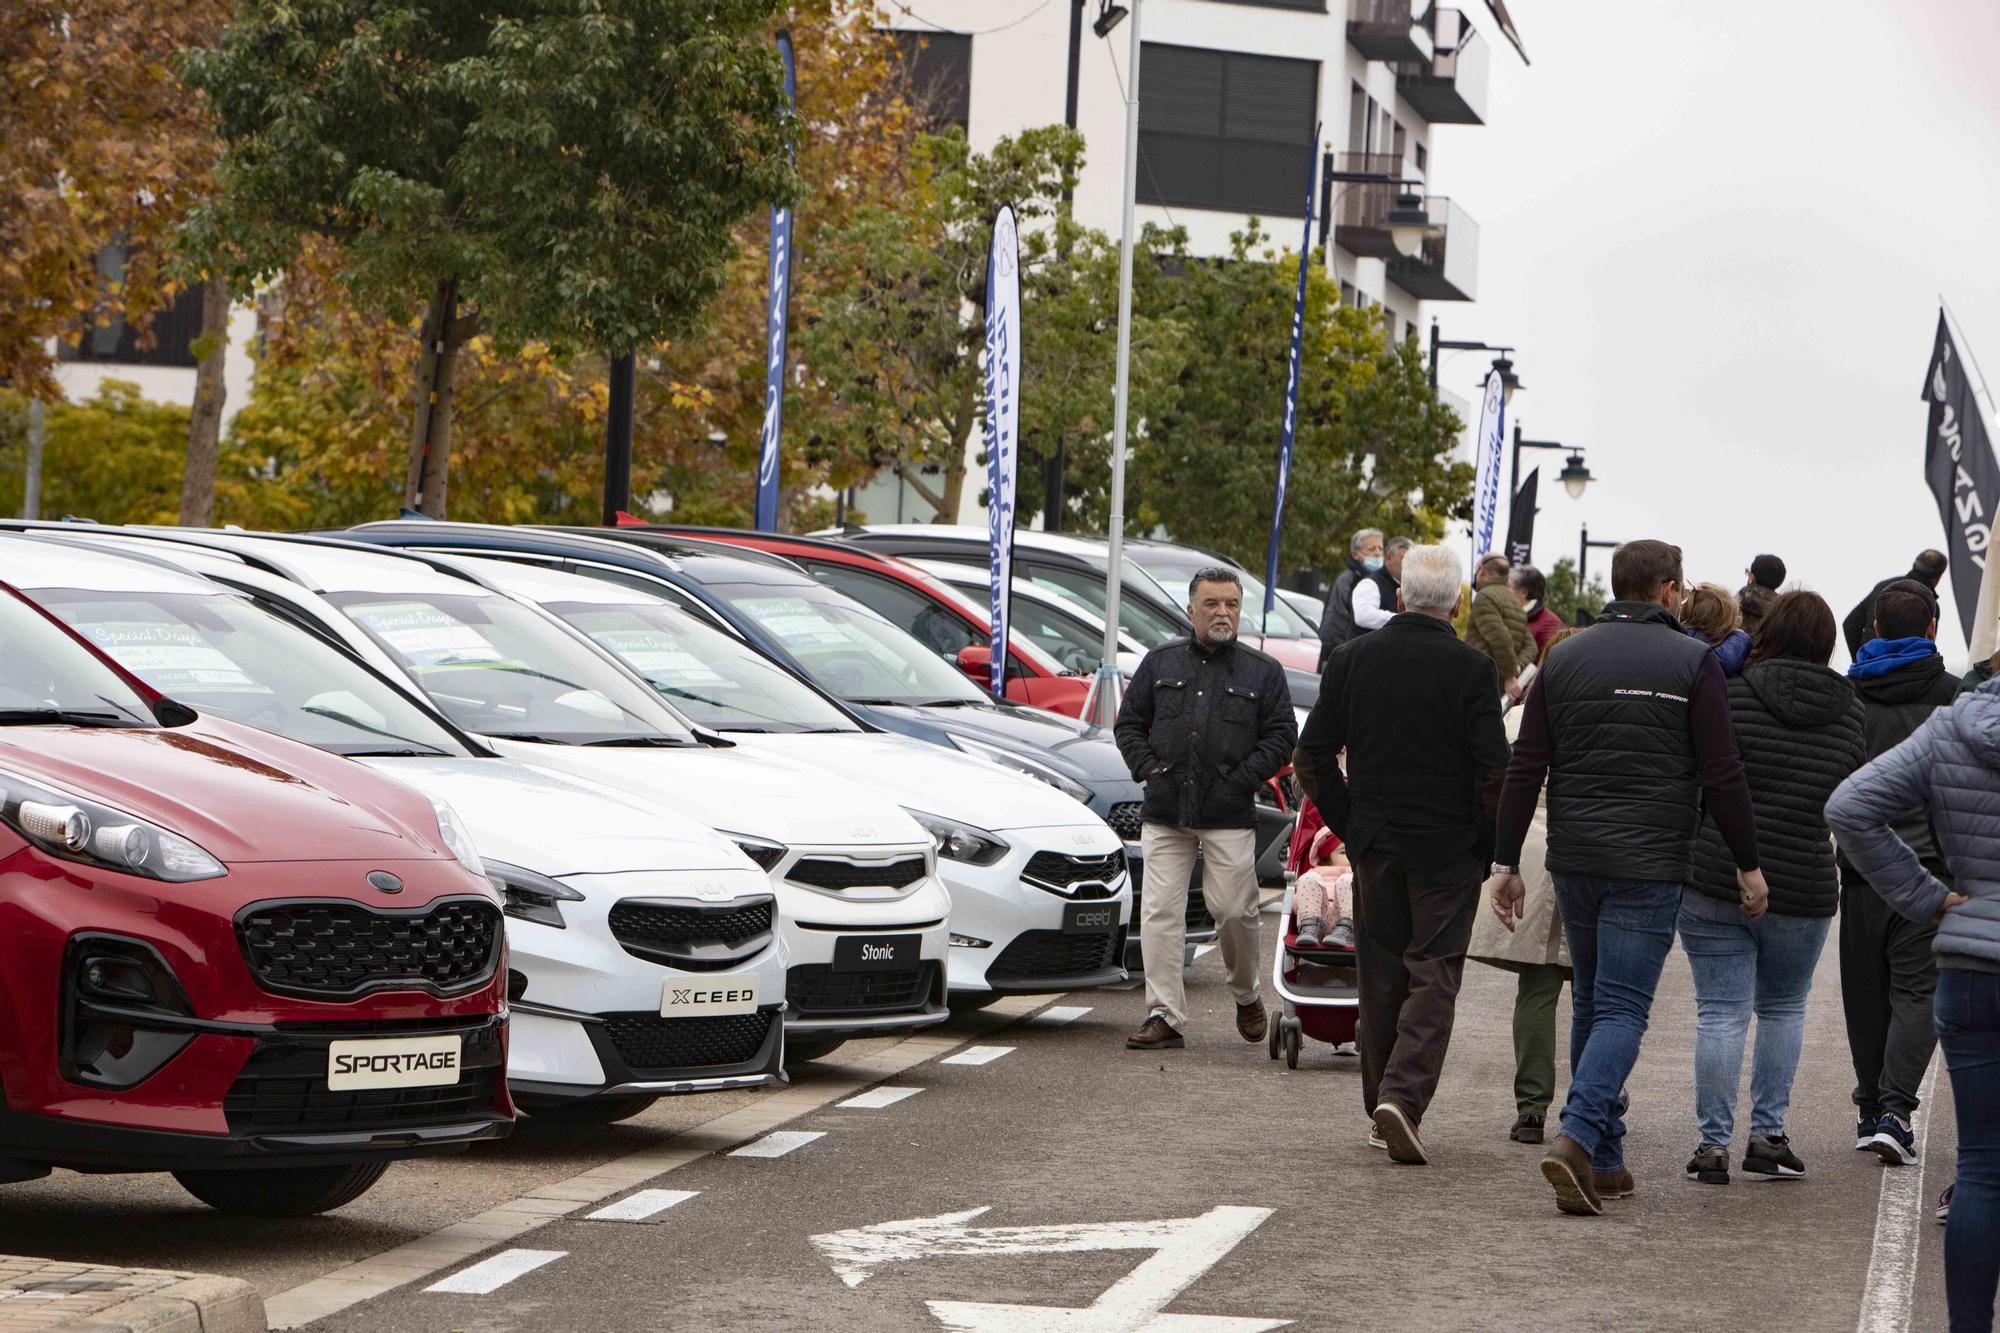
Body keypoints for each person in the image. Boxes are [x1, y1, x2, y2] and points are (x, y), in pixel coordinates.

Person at [1489, 538, 1770, 1216]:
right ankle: (1579, 1133)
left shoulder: (1567, 655)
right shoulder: (1694, 661)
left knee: (1592, 998)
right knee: (1621, 1008)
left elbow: (1526, 763)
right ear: (1670, 589)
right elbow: (1722, 771)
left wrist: (1503, 863)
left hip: (1576, 854)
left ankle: (1606, 1159)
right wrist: (1748, 862)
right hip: (1649, 860)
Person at [1298, 544, 1510, 1165]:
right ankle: (1404, 1097)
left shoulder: (1352, 658)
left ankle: (1381, 1104)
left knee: (1381, 972)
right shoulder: (1473, 668)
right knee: (1434, 971)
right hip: (1447, 847)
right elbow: (1493, 771)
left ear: (1400, 596)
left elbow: (1310, 759)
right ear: (1458, 602)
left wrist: (1351, 825)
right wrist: (1483, 844)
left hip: (1376, 844)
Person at [1825, 687, 1995, 1333]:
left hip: (1974, 957)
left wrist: (1927, 896)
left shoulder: (1957, 725)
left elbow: (1850, 806)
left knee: (1982, 1162)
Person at [1680, 592, 1865, 1185]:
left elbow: (1703, 779)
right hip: (1805, 882)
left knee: (1720, 1012)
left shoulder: (1730, 695)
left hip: (1717, 872)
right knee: (1783, 1007)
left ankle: (1711, 1147)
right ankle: (1768, 1135)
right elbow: (1849, 796)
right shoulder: (1851, 712)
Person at [1116, 568, 1296, 1052]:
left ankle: (1246, 994)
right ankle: (1164, 1015)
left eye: (1232, 604)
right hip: (1166, 811)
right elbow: (1129, 724)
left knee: (1235, 910)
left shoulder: (1263, 672)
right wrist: (1150, 771)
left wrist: (1240, 782)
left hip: (1228, 812)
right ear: (1191, 609)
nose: (1223, 613)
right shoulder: (1160, 662)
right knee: (1159, 913)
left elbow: (1282, 737)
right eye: (1212, 604)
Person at [1841, 579, 1958, 1166]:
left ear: (1876, 631)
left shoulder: (1849, 695)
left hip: (1861, 865)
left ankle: (1869, 1109)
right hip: (1931, 869)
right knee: (1918, 991)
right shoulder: (1956, 697)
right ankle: (1894, 1111)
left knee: (1864, 992)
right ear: (1934, 629)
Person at [1469, 627, 1585, 1146]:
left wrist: (1499, 861)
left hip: (1531, 851)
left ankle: (1530, 1108)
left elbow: (1498, 787)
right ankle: (1592, 1098)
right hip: (1588, 848)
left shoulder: (1520, 714)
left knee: (1536, 988)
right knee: (1596, 992)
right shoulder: (1599, 712)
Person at [1845, 549, 1948, 659]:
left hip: (1870, 667)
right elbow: (1927, 649)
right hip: (1911, 672)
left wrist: (1860, 660)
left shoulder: (1882, 587)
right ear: (1938, 577)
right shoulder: (1928, 604)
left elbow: (1850, 624)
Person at [1464, 554, 1536, 702]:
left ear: (1482, 571)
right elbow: (1531, 646)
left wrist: (1510, 675)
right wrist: (1517, 665)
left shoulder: (1485, 597)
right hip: (1499, 687)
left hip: (1481, 680)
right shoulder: (1515, 602)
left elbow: (1499, 638)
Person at [1318, 529, 1385, 666]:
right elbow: (1334, 625)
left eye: (1380, 548)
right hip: (1345, 657)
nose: (1378, 553)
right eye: (1372, 549)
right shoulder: (1347, 580)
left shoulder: (1384, 581)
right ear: (1356, 554)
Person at [1293, 826, 1354, 950]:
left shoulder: (1360, 873)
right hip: (1318, 919)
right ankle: (1309, 928)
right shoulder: (1314, 873)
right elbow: (1298, 900)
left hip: (1349, 919)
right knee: (1308, 879)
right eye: (1343, 852)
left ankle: (1348, 930)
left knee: (1348, 880)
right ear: (1327, 856)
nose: (1351, 855)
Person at [1681, 582, 1751, 678]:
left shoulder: (1676, 634)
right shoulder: (1716, 650)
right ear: (1726, 620)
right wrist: (1740, 637)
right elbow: (1725, 661)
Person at [1351, 536, 1412, 636]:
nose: (1409, 564)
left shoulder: (1405, 585)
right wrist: (1401, 619)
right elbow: (1363, 616)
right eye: (1404, 559)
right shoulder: (1370, 584)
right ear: (1388, 558)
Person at [1513, 565, 1565, 654]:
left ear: (1523, 593)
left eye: (1508, 587)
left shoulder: (1550, 625)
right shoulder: (1510, 616)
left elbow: (1550, 660)